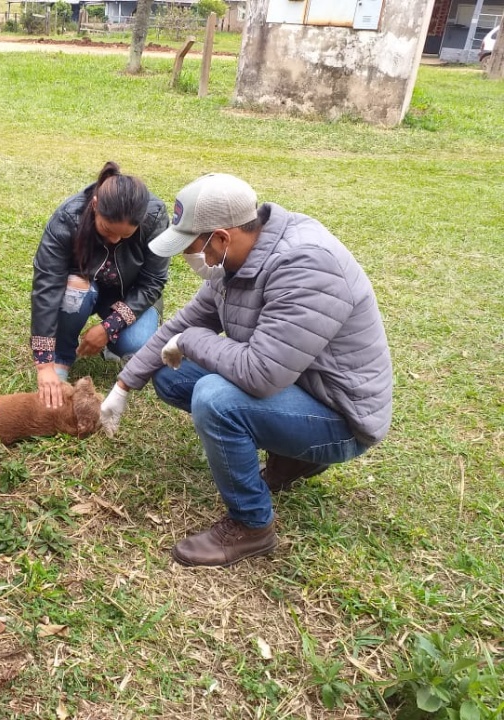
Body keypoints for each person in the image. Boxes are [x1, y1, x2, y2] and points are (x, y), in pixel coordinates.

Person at [99, 173, 392, 567]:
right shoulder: (237, 259)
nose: (187, 256)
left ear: (221, 237)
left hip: (339, 416)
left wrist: (190, 342)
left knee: (216, 399)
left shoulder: (306, 266)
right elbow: (180, 324)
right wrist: (122, 385)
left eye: (191, 245)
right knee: (170, 374)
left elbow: (260, 374)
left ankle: (252, 526)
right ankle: (293, 457)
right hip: (299, 385)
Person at [31, 161, 170, 408]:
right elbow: (47, 286)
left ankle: (111, 344)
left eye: (125, 236)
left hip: (128, 295)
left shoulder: (155, 217)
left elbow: (152, 282)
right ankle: (62, 358)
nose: (115, 240)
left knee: (136, 343)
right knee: (75, 289)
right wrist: (44, 364)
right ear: (95, 205)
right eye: (107, 230)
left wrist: (108, 328)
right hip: (82, 288)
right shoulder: (67, 218)